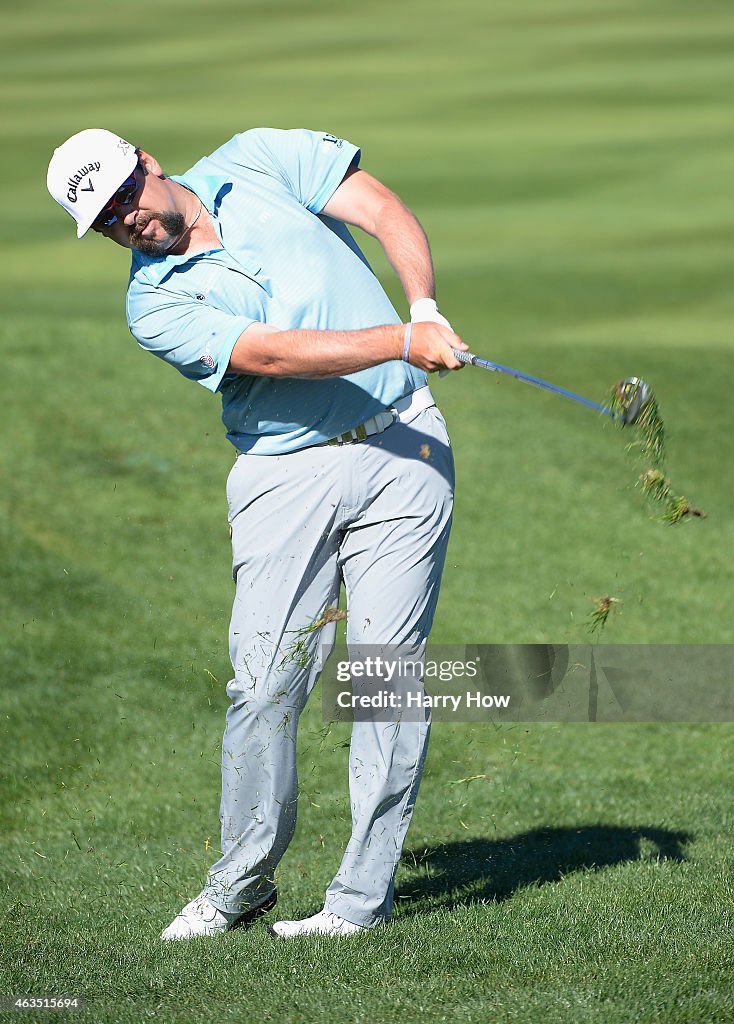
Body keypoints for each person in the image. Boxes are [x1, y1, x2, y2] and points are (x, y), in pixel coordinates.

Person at [47, 127, 468, 940]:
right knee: (266, 682)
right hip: (285, 477)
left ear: (147, 164)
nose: (125, 221)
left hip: (407, 444)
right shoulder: (153, 304)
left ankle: (358, 902)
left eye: (123, 196)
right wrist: (399, 341)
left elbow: (379, 207)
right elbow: (271, 355)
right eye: (104, 220)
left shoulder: (258, 159)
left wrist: (421, 308)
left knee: (387, 677)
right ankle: (241, 883)